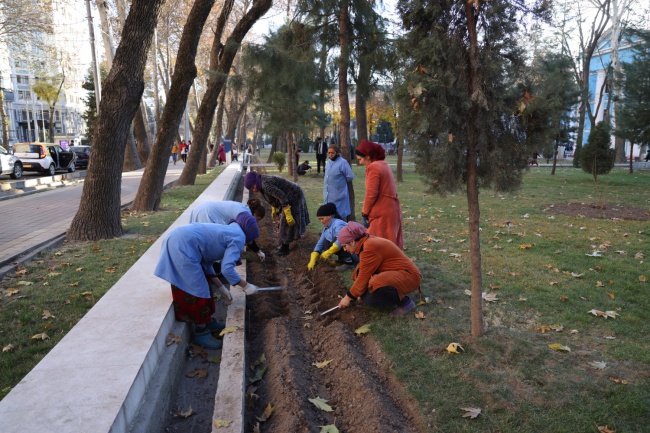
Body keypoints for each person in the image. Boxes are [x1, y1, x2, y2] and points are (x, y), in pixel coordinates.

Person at [154, 217, 261, 349]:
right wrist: (246, 286)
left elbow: (208, 262)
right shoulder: (239, 239)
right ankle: (200, 333)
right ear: (249, 235)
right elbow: (226, 269)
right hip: (182, 246)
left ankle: (208, 321)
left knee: (204, 287)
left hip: (181, 239)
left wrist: (221, 287)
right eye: (252, 239)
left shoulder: (234, 230)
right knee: (199, 290)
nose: (251, 243)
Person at [336, 222, 421, 317]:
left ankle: (405, 303)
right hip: (397, 273)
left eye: (344, 246)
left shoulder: (369, 247)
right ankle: (390, 294)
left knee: (373, 291)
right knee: (362, 279)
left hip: (410, 276)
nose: (344, 249)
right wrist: (356, 294)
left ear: (352, 242)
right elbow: (363, 271)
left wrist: (348, 298)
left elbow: (364, 277)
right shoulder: (365, 243)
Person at [244, 171, 310, 256]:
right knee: (283, 220)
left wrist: (287, 211)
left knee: (286, 222)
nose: (254, 190)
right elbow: (275, 195)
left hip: (293, 196)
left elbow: (282, 196)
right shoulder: (261, 182)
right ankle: (286, 243)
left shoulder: (265, 185)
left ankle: (285, 248)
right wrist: (274, 207)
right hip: (290, 195)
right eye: (252, 189)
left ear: (255, 181)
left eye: (253, 187)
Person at [355, 139, 404, 249]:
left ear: (368, 156)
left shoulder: (374, 167)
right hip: (391, 209)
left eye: (360, 159)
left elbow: (371, 194)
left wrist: (364, 212)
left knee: (377, 245)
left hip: (382, 212)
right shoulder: (383, 164)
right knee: (389, 243)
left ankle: (385, 266)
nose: (360, 162)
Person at [189, 199, 267, 262]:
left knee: (202, 240)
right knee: (210, 243)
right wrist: (258, 251)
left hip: (202, 208)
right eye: (258, 219)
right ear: (256, 213)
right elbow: (248, 236)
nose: (257, 222)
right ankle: (212, 268)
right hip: (207, 213)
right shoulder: (246, 215)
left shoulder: (243, 208)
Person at [307, 203, 356, 272]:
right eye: (319, 219)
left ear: (329, 216)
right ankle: (341, 261)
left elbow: (342, 239)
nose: (321, 221)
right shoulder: (327, 228)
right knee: (326, 242)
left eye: (322, 219)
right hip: (346, 247)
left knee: (341, 242)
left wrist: (328, 252)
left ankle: (349, 263)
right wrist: (313, 259)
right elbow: (320, 244)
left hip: (353, 247)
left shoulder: (338, 224)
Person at [324, 144, 355, 221]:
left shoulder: (343, 163)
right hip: (328, 195)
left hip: (339, 195)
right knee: (329, 216)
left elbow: (350, 176)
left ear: (337, 153)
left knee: (340, 217)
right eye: (329, 153)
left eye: (332, 153)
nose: (330, 155)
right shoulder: (328, 163)